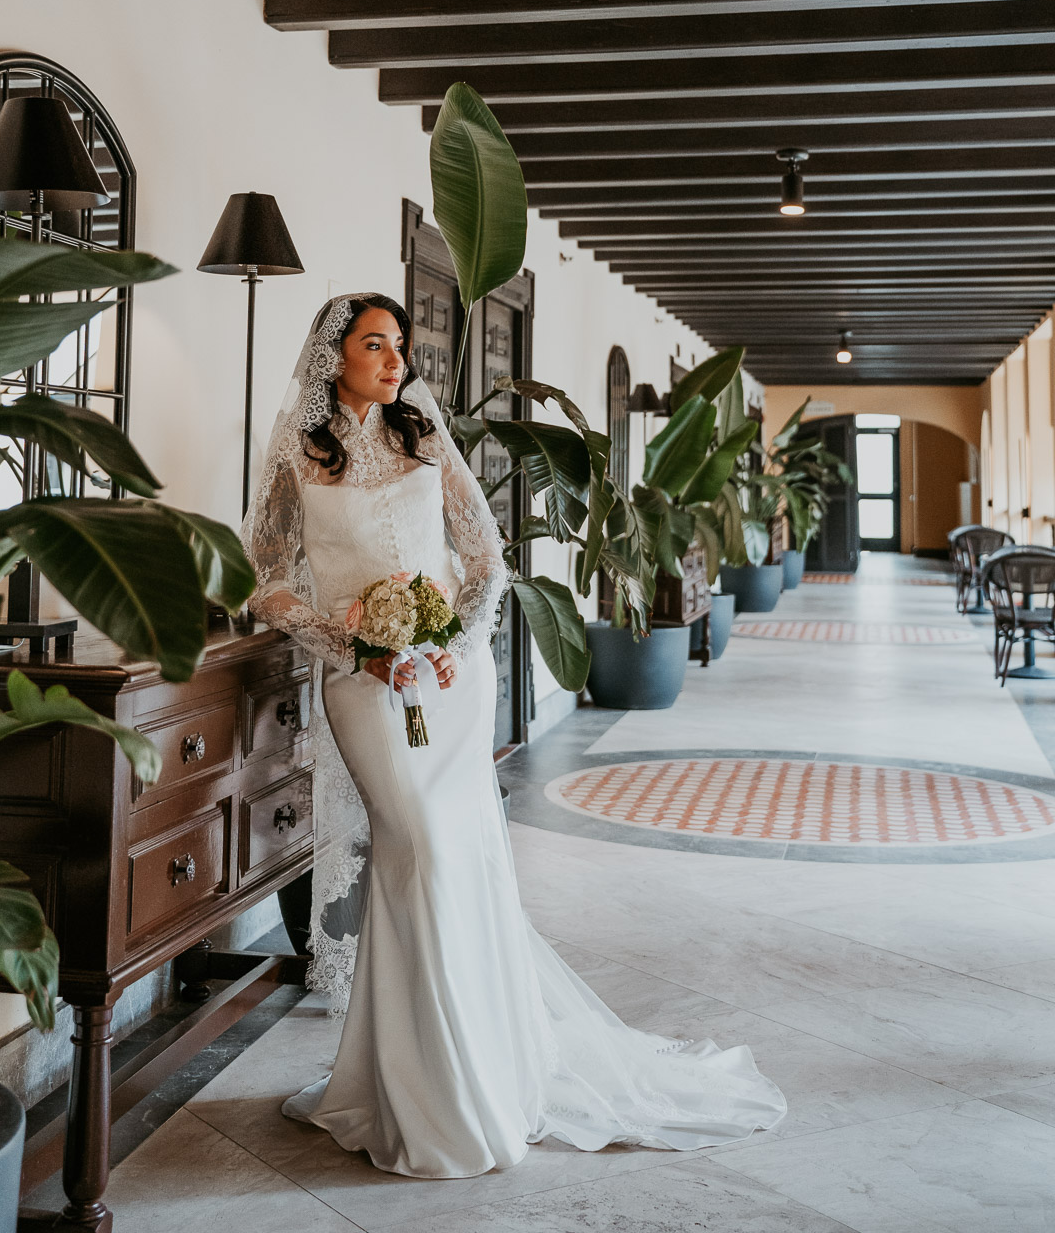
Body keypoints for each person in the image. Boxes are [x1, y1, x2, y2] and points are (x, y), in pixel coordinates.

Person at [243, 292, 786, 1180]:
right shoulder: (299, 455)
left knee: (455, 862)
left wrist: (446, 641)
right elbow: (265, 581)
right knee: (413, 851)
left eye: (400, 346)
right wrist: (354, 638)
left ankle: (466, 1073)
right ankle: (414, 1084)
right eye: (374, 345)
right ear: (330, 358)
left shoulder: (421, 432)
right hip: (361, 684)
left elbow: (485, 557)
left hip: (449, 684)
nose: (395, 361)